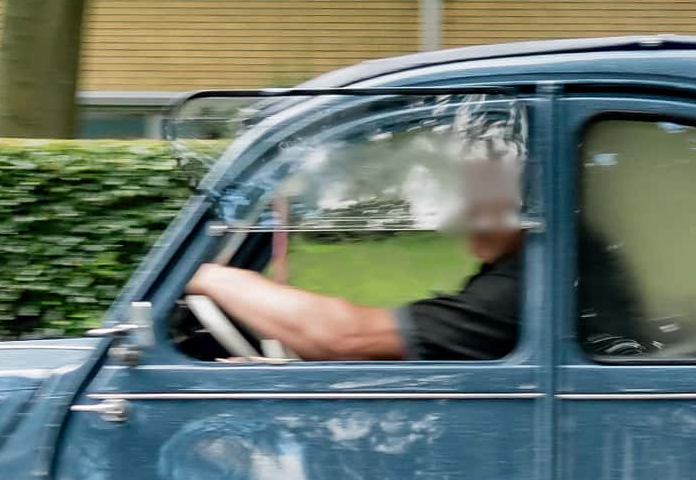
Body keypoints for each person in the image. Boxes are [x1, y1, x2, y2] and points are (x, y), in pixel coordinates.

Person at [184, 146, 526, 361]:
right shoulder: (514, 271)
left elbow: (347, 336)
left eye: (487, 200)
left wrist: (212, 277)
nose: (464, 216)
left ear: (531, 206)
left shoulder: (518, 290)